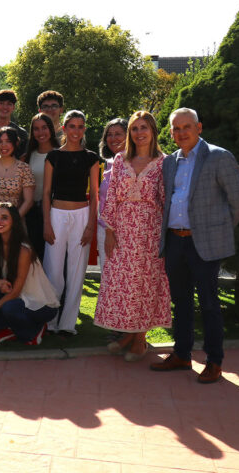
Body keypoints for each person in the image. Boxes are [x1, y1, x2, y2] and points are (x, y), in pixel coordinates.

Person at [151, 108, 239, 384]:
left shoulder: (219, 157)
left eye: (186, 127)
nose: (181, 133)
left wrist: (219, 230)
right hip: (174, 241)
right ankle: (182, 354)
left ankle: (214, 361)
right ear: (171, 132)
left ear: (199, 127)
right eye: (176, 129)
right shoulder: (170, 162)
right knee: (180, 302)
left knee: (208, 303)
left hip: (204, 244)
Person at [96, 111, 171, 362]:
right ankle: (129, 334)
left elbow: (165, 200)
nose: (139, 133)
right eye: (135, 128)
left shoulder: (164, 162)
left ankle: (139, 339)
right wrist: (109, 231)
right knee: (123, 283)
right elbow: (112, 198)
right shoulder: (119, 159)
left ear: (153, 130)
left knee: (146, 284)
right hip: (122, 229)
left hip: (150, 230)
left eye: (144, 127)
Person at [41, 110, 100, 336]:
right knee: (53, 271)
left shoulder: (91, 157)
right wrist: (47, 223)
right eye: (72, 126)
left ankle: (67, 324)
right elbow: (46, 193)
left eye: (80, 126)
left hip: (82, 216)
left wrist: (90, 226)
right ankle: (51, 321)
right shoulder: (53, 157)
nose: (76, 130)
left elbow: (94, 195)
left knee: (76, 272)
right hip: (56, 215)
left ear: (84, 129)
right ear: (64, 128)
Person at [0, 203, 60, 345]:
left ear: (14, 221)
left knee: (9, 307)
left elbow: (15, 291)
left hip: (40, 304)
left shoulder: (24, 250)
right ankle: (6, 328)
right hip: (18, 298)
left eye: (4, 218)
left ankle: (34, 330)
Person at [22, 113, 59, 260]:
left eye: (44, 128)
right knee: (35, 258)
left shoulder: (60, 154)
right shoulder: (27, 157)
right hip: (33, 214)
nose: (41, 132)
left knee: (54, 259)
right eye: (36, 129)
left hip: (56, 212)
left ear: (51, 129)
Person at [96, 118, 128, 274]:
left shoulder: (135, 163)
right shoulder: (109, 163)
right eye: (109, 134)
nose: (113, 138)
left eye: (118, 134)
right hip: (104, 229)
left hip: (127, 231)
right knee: (108, 278)